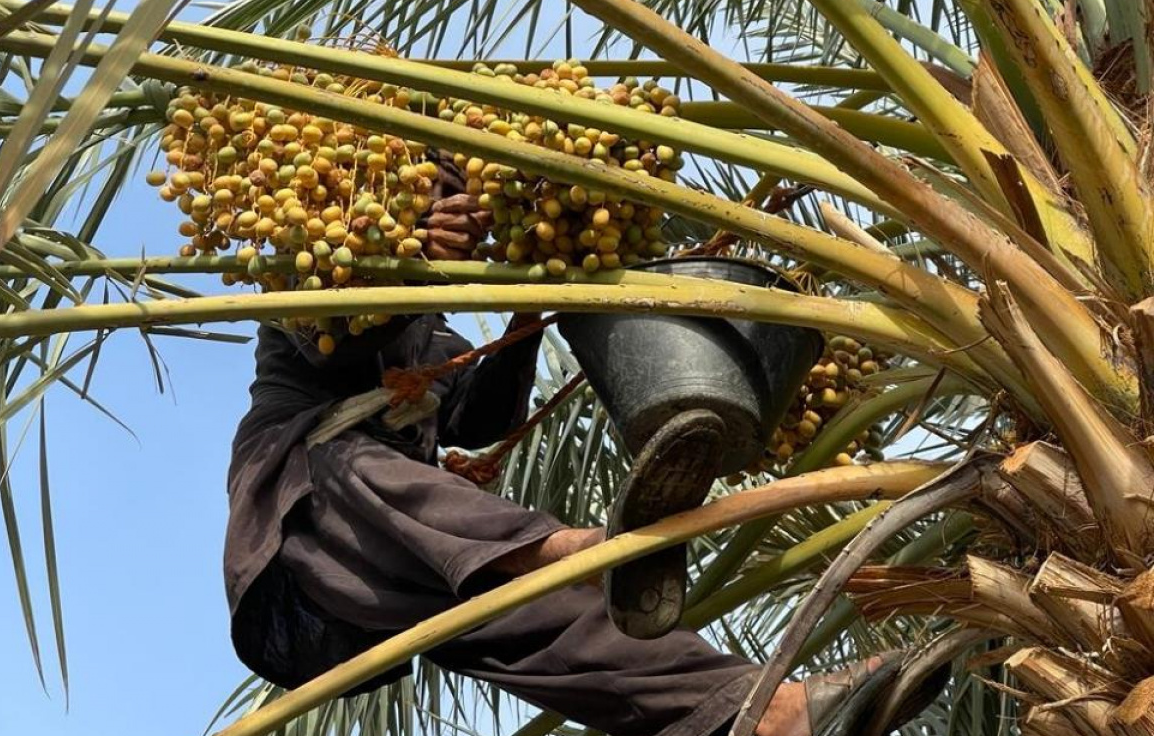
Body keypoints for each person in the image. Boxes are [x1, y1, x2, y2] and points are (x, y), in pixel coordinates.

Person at [222, 152, 935, 736]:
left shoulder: (433, 336)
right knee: (365, 468)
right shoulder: (307, 270)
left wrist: (535, 297)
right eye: (427, 196)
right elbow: (331, 345)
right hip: (312, 509)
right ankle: (583, 551)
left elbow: (480, 416)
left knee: (554, 627)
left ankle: (766, 713)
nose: (447, 212)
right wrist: (404, 271)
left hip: (405, 562)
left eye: (455, 199)